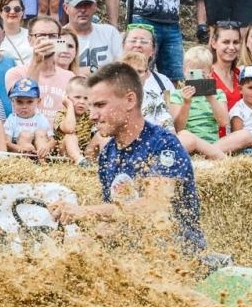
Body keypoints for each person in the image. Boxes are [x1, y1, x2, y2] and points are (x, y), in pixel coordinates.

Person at [48, 62, 205, 253]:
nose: (92, 116)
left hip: (178, 254)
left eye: (100, 105)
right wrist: (86, 241)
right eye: (90, 107)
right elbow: (119, 219)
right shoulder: (108, 154)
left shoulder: (163, 143)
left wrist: (85, 212)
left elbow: (154, 207)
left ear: (130, 100)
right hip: (133, 253)